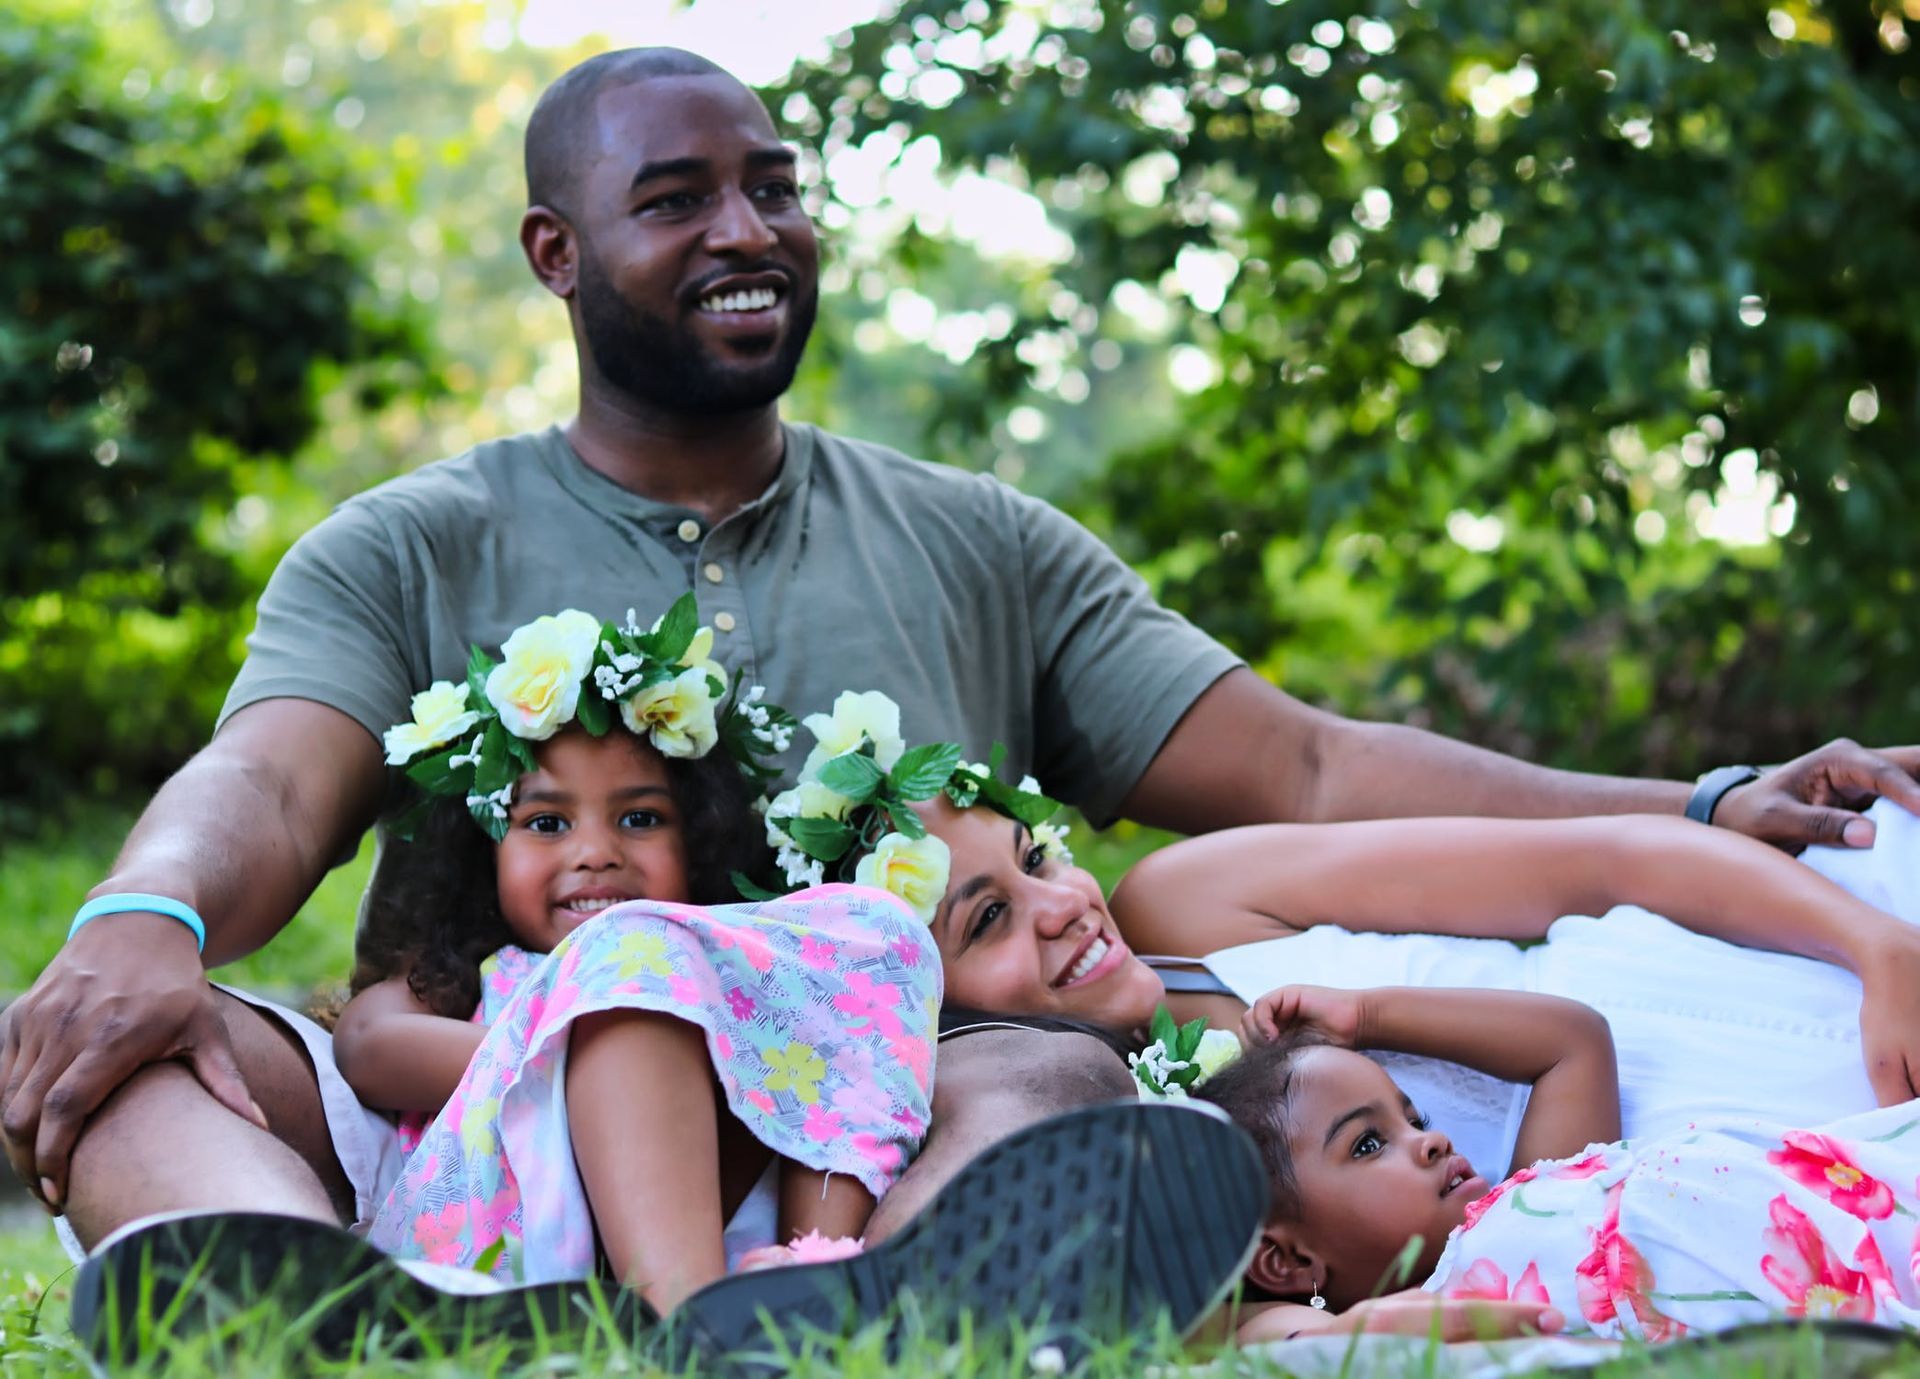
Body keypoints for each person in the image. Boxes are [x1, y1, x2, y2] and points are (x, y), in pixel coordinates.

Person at [3, 39, 1915, 1342]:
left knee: (1070, 1079)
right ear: (558, 254)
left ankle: (813, 1317)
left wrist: (1696, 798)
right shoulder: (413, 541)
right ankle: (298, 1298)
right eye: (678, 200)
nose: (748, 229)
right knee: (133, 1040)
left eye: (773, 186)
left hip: (872, 1130)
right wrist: (144, 911)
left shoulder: (974, 536)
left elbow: (1311, 762)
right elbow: (262, 775)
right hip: (492, 1091)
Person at [332, 601, 938, 1314]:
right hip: (497, 1244)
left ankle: (811, 1262)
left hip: (717, 1203)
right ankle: (694, 1328)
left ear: (700, 838)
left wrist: (677, 1045)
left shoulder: (709, 968)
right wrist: (595, 1034)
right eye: (547, 822)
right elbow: (367, 1044)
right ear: (484, 848)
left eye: (640, 817)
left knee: (872, 927)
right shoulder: (474, 975)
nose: (595, 852)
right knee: (627, 969)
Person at [1206, 984, 1920, 1342]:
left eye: (1413, 1115)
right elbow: (1243, 1338)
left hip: (1861, 1186)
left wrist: (1365, 1013)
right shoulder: (1406, 1321)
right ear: (1287, 1261)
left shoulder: (1532, 1186)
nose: (1428, 1139)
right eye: (1368, 1143)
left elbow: (1571, 1038)